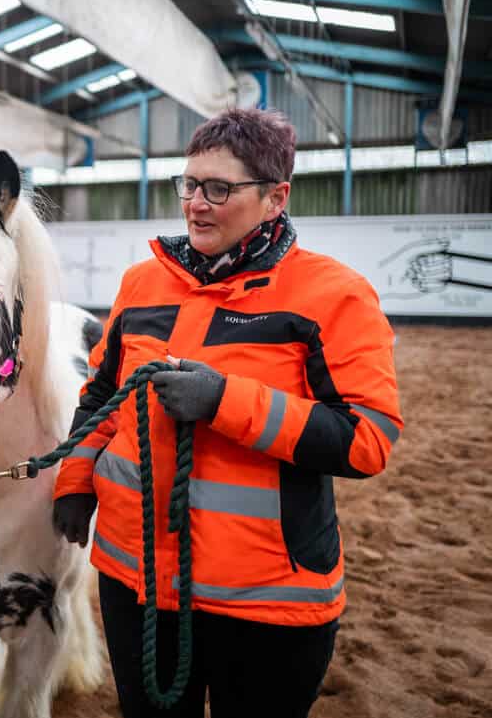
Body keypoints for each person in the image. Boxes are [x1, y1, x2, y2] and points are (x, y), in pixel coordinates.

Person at [52, 109, 402, 718]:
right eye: (188, 185)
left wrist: (225, 401)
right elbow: (100, 398)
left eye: (218, 189)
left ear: (274, 198)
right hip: (135, 584)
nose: (196, 203)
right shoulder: (141, 285)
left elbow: (366, 440)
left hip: (268, 603)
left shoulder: (334, 295)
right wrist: (75, 480)